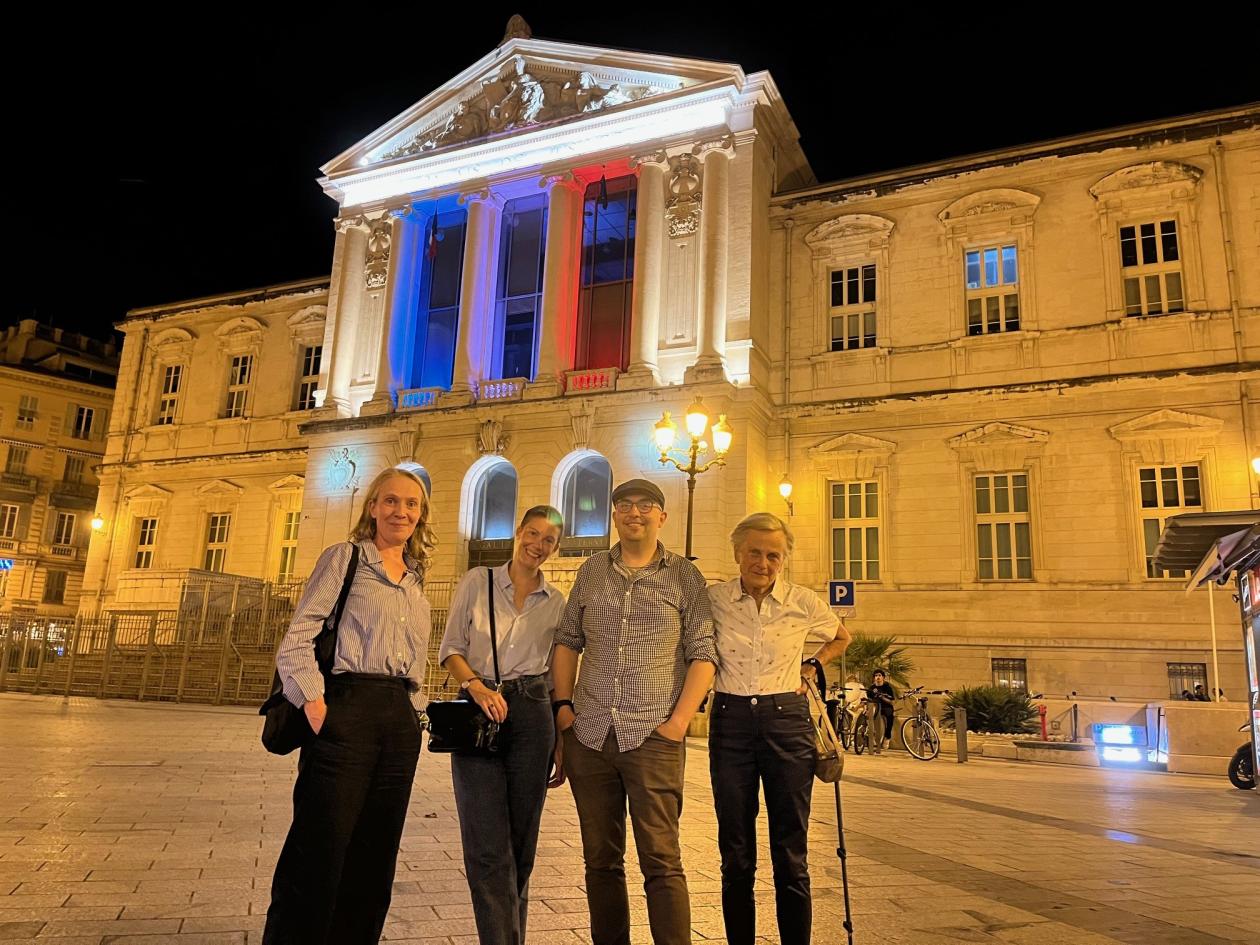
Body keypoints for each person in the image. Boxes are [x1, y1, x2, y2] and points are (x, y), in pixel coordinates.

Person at [263, 466, 435, 945]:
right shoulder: (346, 559)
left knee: (376, 854)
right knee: (320, 845)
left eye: (412, 504)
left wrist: (416, 713)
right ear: (373, 507)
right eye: (391, 501)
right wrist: (316, 704)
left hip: (397, 720)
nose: (401, 511)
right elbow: (298, 635)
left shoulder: (416, 580)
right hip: (346, 706)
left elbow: (417, 659)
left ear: (421, 517)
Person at [550, 478, 717, 945]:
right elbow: (567, 641)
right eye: (624, 505)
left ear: (662, 516)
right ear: (615, 515)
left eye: (646, 506)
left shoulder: (684, 576)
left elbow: (704, 652)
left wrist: (678, 724)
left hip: (654, 738)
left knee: (662, 861)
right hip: (590, 735)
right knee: (600, 861)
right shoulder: (591, 572)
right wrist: (564, 710)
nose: (634, 513)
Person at [706, 512, 852, 945]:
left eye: (774, 555)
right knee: (735, 853)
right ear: (738, 553)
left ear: (784, 559)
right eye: (754, 552)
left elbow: (841, 637)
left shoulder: (803, 602)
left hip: (787, 720)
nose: (763, 563)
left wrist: (813, 664)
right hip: (730, 723)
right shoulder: (713, 599)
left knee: (791, 851)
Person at [438, 506, 567, 945]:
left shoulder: (557, 603)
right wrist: (475, 686)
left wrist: (561, 741)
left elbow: (554, 675)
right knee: (487, 846)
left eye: (549, 539)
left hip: (533, 715)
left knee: (521, 845)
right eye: (533, 533)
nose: (538, 544)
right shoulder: (478, 581)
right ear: (518, 532)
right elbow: (451, 648)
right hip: (479, 709)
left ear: (556, 547)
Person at [867, 669, 896, 754]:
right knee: (868, 717)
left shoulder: (887, 687)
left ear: (883, 677)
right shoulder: (871, 688)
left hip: (886, 707)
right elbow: (869, 699)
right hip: (875, 706)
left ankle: (887, 737)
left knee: (890, 717)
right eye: (876, 676)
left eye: (879, 675)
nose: (878, 677)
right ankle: (873, 737)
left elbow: (891, 701)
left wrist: (882, 697)